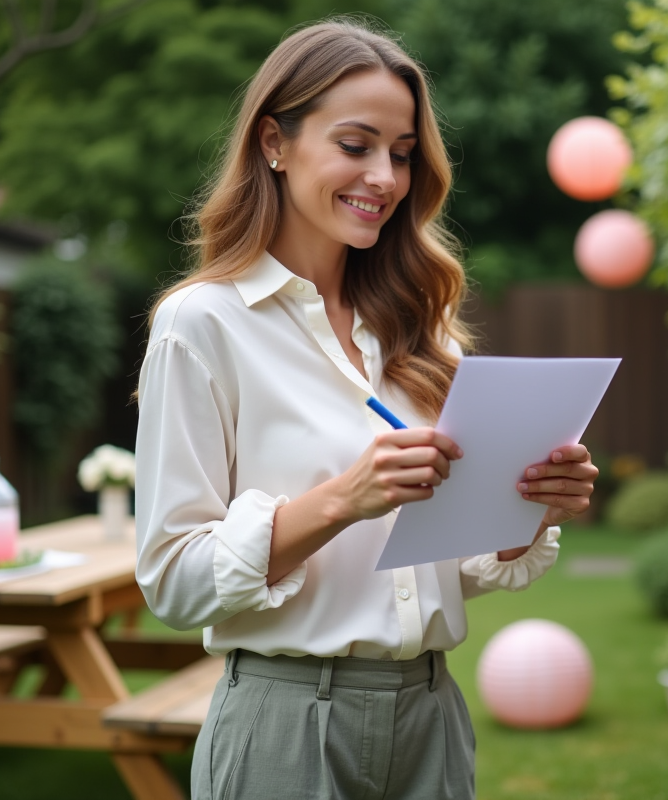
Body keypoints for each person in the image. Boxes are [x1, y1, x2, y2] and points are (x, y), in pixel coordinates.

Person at [134, 18, 599, 800]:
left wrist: (529, 514)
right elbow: (173, 581)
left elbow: (444, 568)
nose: (384, 176)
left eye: (403, 153)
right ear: (274, 143)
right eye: (356, 146)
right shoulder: (202, 325)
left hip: (432, 717)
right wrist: (343, 500)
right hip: (286, 730)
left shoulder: (420, 328)